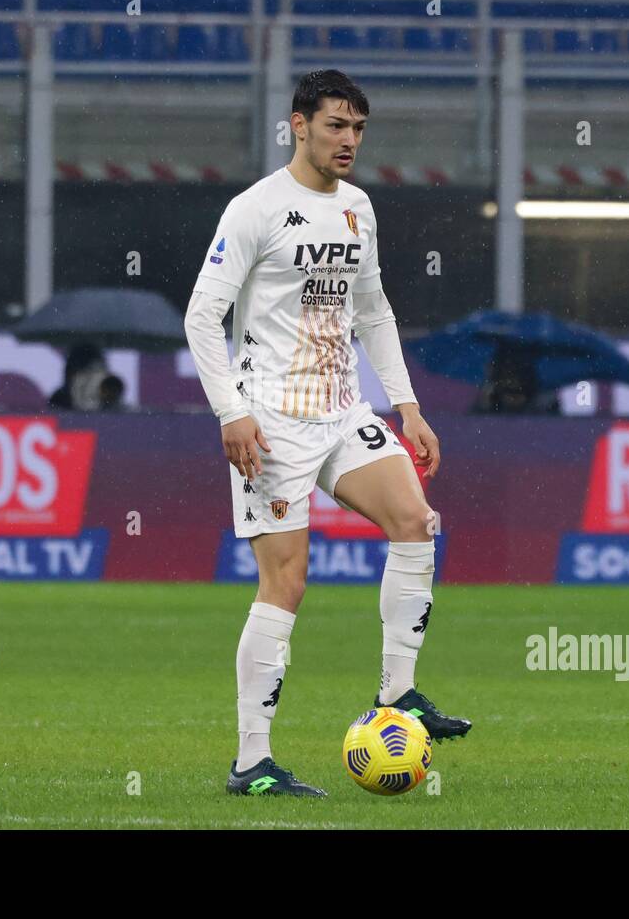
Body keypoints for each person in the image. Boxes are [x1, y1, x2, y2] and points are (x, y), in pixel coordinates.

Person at [183, 69, 471, 798]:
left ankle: (397, 695)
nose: (349, 140)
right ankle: (252, 763)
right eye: (336, 125)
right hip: (270, 423)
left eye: (359, 128)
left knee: (415, 520)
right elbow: (200, 317)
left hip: (343, 411)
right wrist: (231, 412)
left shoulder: (358, 209)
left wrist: (406, 407)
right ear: (298, 125)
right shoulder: (255, 210)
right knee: (287, 582)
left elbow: (372, 311)